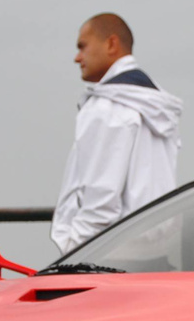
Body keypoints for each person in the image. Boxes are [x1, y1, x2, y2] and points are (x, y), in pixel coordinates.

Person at [50, 13, 183, 255]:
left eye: (83, 46)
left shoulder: (106, 107)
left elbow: (100, 203)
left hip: (111, 257)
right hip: (159, 255)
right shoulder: (157, 104)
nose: (77, 57)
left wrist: (72, 253)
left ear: (111, 44)